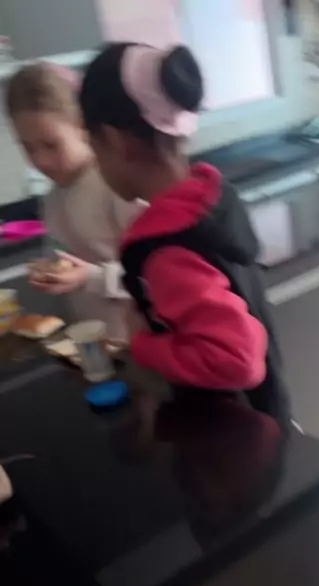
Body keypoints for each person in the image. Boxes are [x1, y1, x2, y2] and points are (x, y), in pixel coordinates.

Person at [80, 42, 290, 420]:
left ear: (116, 141)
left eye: (94, 148)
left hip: (231, 433)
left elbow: (238, 361)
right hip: (266, 410)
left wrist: (142, 343)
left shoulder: (168, 248)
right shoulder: (210, 200)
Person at [5, 62, 144, 339]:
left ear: (82, 126)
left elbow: (156, 278)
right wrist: (48, 270)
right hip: (92, 342)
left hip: (137, 342)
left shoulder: (117, 187)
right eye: (28, 148)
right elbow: (63, 255)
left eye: (51, 144)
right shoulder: (53, 198)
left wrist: (89, 277)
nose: (40, 161)